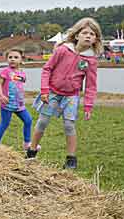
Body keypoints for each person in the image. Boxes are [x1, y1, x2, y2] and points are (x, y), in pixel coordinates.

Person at [26, 17, 101, 169]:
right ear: (77, 35)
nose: (88, 36)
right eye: (85, 32)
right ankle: (31, 151)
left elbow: (91, 85)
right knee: (43, 121)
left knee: (69, 125)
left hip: (71, 96)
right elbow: (47, 69)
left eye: (92, 34)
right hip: (53, 92)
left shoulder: (91, 60)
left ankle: (71, 159)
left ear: (95, 39)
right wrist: (45, 90)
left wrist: (88, 106)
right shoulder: (63, 50)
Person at [0, 47, 32, 150]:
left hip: (19, 104)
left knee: (28, 120)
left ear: (21, 60)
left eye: (16, 57)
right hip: (7, 103)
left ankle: (27, 143)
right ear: (6, 59)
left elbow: (19, 86)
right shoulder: (5, 71)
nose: (12, 59)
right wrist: (1, 95)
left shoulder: (22, 73)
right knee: (5, 123)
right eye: (10, 57)